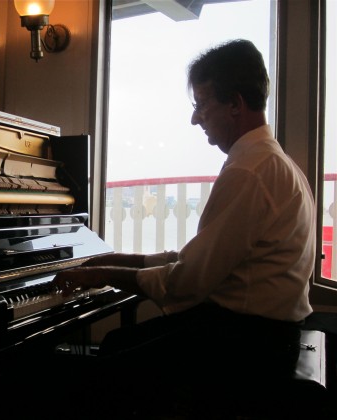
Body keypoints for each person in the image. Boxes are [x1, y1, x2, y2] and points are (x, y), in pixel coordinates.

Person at [51, 39, 316, 418]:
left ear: (235, 104)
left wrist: (101, 274)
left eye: (202, 105)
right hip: (264, 335)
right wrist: (115, 259)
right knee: (117, 343)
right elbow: (196, 259)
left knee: (109, 364)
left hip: (248, 345)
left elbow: (188, 279)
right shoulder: (274, 162)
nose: (195, 119)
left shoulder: (249, 171)